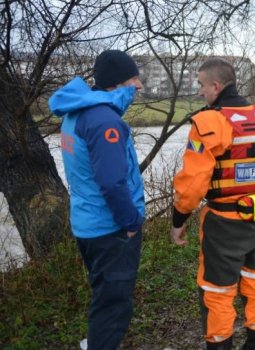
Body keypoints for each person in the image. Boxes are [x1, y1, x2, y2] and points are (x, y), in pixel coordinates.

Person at [169, 58, 255, 349]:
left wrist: (178, 219)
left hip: (225, 224)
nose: (200, 92)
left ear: (216, 86)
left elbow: (193, 181)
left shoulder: (210, 122)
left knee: (218, 292)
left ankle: (220, 344)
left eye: (201, 86)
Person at [49, 50, 145, 350]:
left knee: (104, 295)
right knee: (114, 305)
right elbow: (112, 182)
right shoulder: (104, 121)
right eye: (133, 79)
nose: (139, 86)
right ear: (116, 84)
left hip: (88, 223)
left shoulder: (76, 113)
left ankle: (95, 342)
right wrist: (130, 223)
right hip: (110, 230)